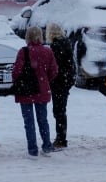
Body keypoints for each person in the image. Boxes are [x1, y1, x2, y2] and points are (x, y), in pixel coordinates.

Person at [13, 25, 59, 158]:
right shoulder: (47, 51)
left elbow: (16, 72)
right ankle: (46, 145)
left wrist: (20, 81)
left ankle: (32, 149)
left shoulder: (23, 52)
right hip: (42, 89)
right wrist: (44, 80)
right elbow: (54, 70)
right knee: (43, 119)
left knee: (29, 121)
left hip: (26, 91)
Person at [46, 22, 76, 149]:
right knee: (61, 110)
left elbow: (55, 67)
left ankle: (61, 138)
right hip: (65, 81)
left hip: (59, 82)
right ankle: (61, 136)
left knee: (58, 110)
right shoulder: (66, 43)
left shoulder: (55, 46)